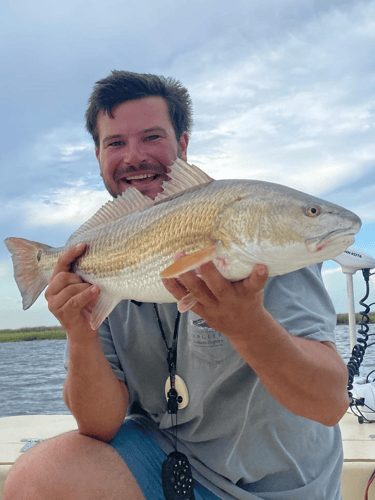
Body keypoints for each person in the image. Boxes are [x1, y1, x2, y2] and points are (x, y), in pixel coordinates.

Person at [3, 71, 349, 500]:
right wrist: (79, 332)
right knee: (34, 481)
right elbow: (98, 426)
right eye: (115, 143)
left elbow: (330, 403)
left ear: (183, 144)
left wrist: (247, 326)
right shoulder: (98, 260)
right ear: (96, 155)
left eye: (152, 137)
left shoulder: (276, 255)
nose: (134, 157)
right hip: (164, 459)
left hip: (277, 489)